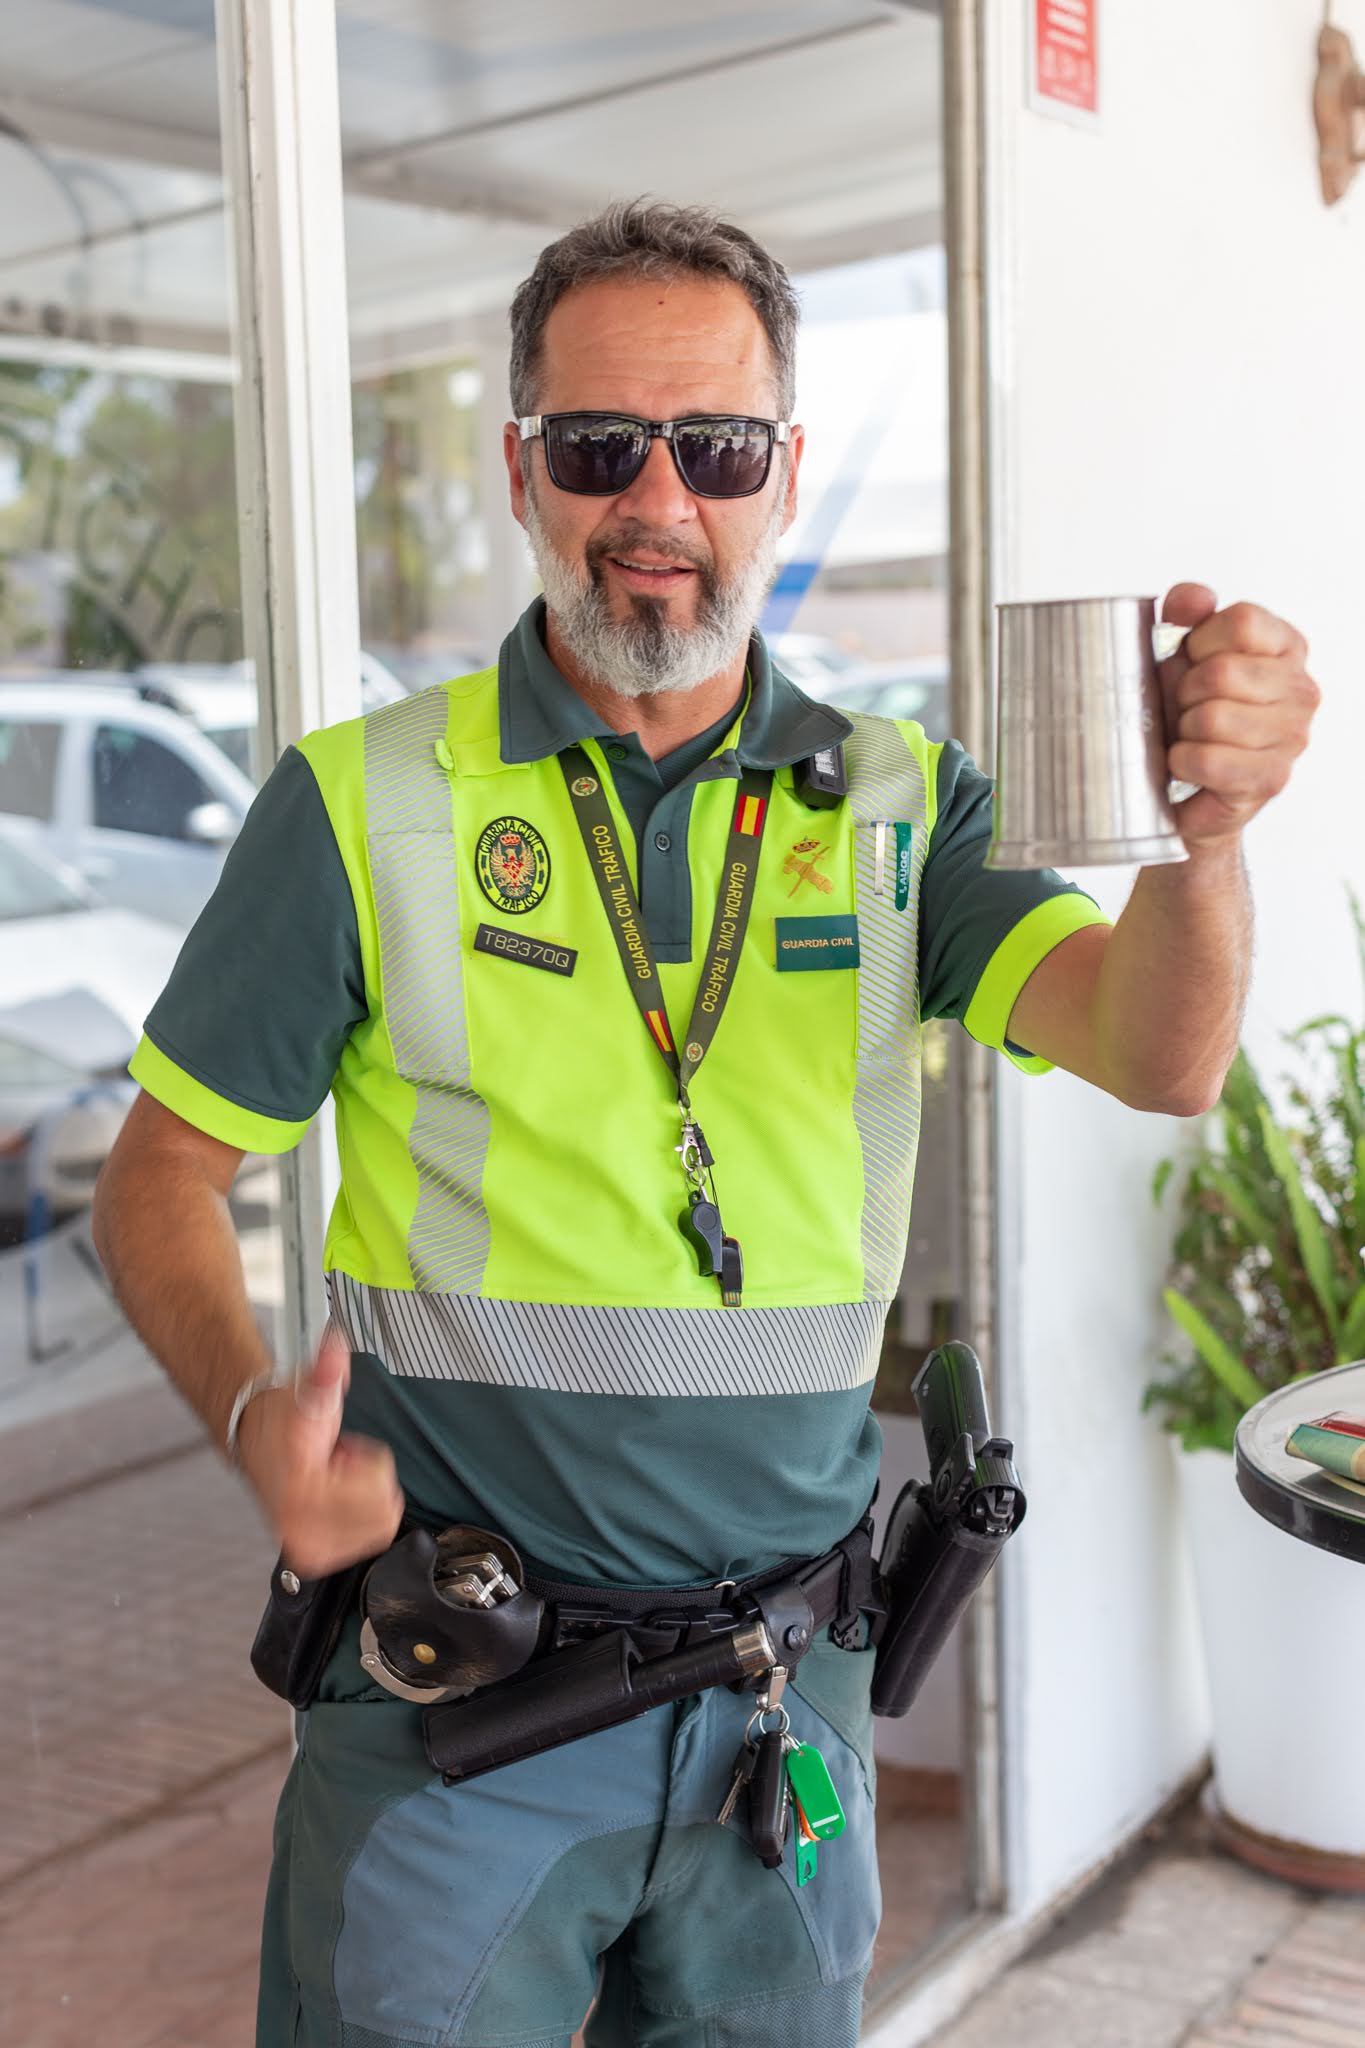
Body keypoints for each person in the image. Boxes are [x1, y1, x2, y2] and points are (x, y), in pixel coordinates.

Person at [92, 200, 1319, 2048]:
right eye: (600, 445)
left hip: (783, 1708)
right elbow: (160, 1178)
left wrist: (1204, 839)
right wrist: (254, 1415)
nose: (657, 499)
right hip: (455, 1706)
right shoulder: (360, 803)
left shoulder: (907, 805)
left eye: (718, 447)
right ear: (521, 468)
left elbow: (1160, 1054)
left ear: (785, 478)